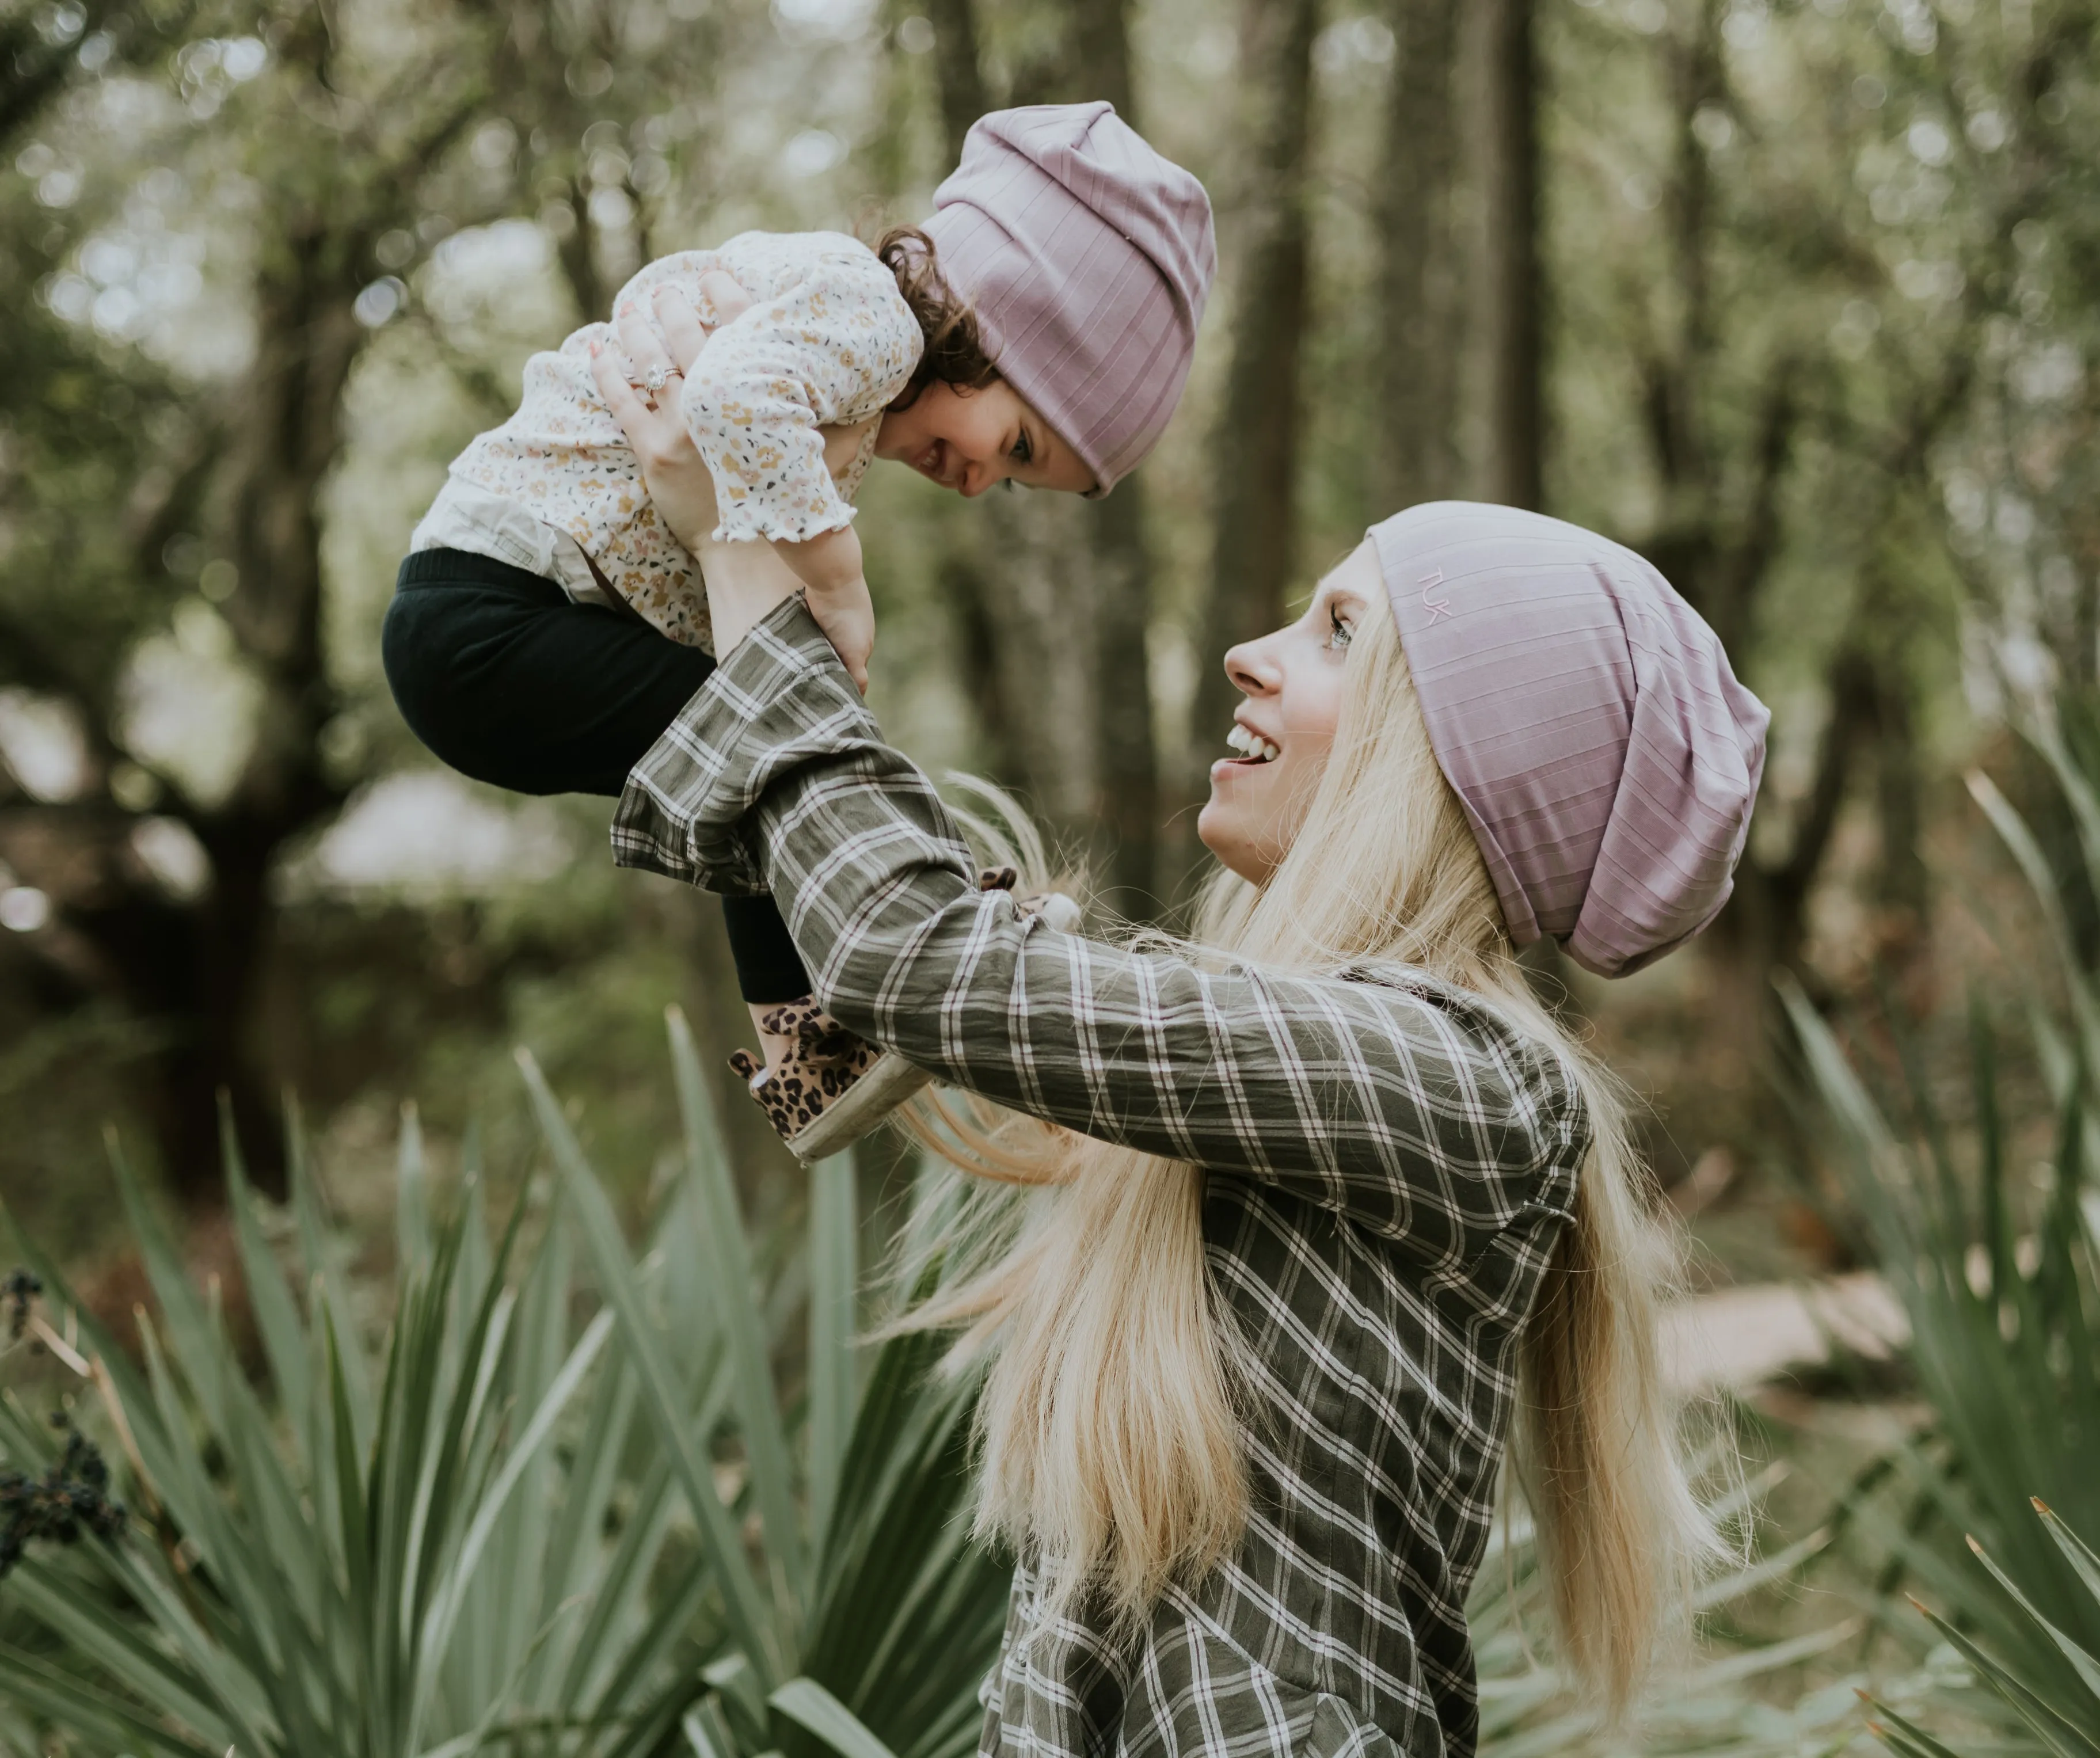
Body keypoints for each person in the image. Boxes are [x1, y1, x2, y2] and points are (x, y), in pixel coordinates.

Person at [594, 303, 1770, 1752]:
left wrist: (748, 559)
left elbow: (906, 952)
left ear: (1453, 764)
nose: (1248, 654)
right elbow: (832, 1067)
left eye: (1341, 633)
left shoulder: (1470, 1082)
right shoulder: (1254, 1049)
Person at [381, 101, 1215, 1158]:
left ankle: (810, 1050)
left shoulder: (845, 370)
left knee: (758, 761)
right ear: (989, 322)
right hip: (488, 609)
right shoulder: (869, 315)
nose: (978, 483)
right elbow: (729, 394)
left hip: (491, 624)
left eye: (1014, 482)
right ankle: (926, 930)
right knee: (769, 720)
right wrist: (838, 574)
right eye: (1013, 441)